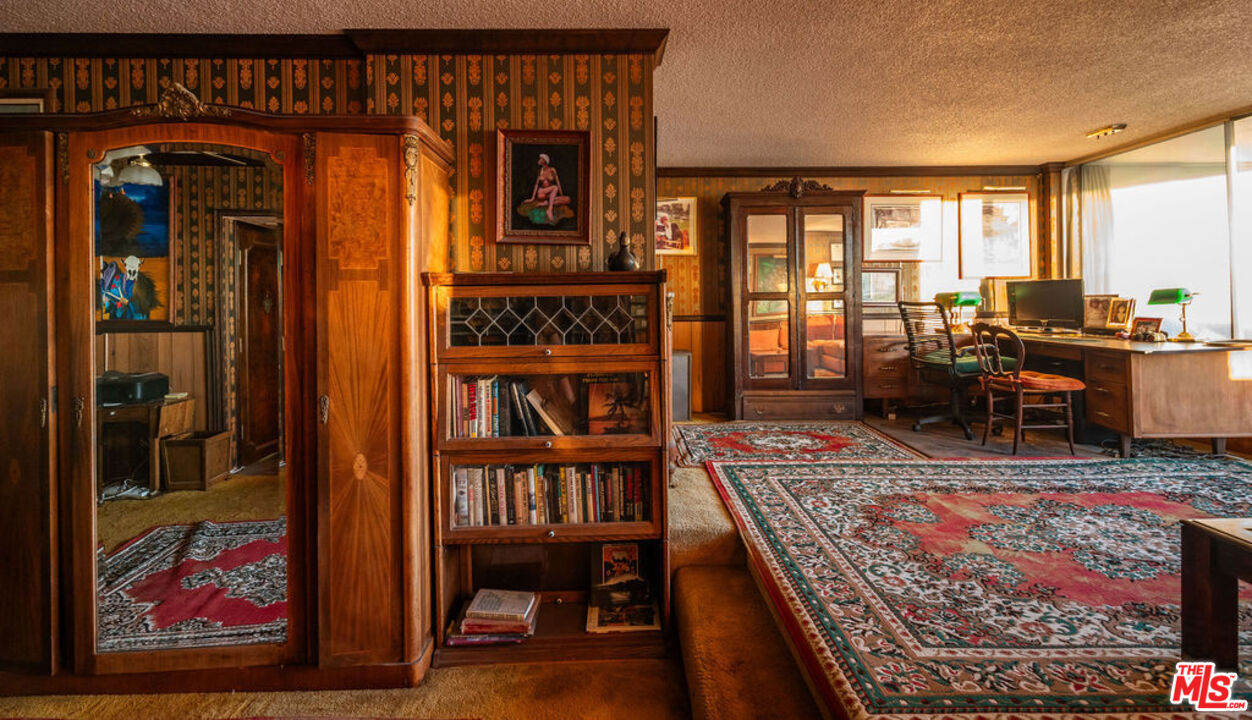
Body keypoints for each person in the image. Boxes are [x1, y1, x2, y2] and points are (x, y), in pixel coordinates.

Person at [527, 153, 569, 224]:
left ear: (545, 161)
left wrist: (561, 194)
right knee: (555, 187)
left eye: (541, 159)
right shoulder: (540, 171)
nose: (539, 160)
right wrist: (532, 198)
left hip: (549, 194)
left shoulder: (552, 170)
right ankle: (549, 209)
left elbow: (558, 182)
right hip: (541, 193)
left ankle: (545, 203)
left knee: (567, 199)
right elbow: (536, 184)